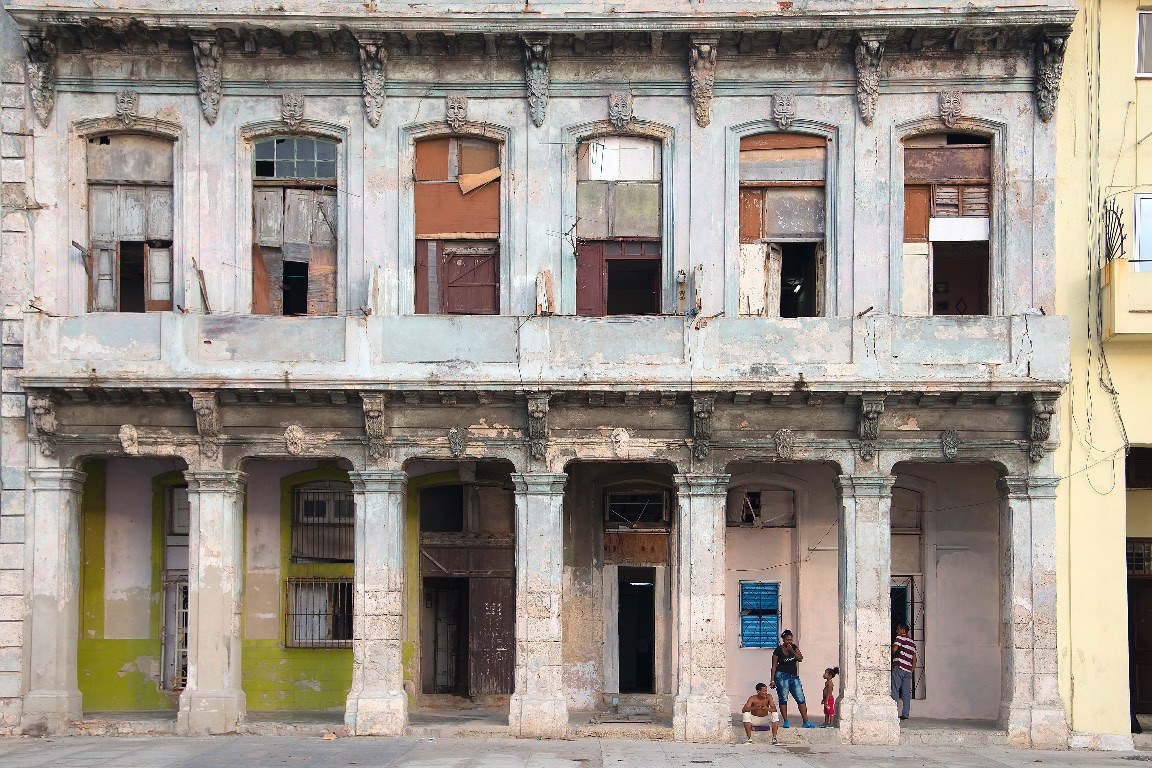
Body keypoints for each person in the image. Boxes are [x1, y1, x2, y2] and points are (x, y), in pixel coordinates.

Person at [770, 629, 816, 728]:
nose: (789, 641)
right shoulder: (778, 650)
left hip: (794, 677)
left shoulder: (794, 648)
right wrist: (772, 680)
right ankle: (786, 721)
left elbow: (800, 659)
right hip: (781, 676)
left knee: (801, 698)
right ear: (783, 640)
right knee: (783, 699)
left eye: (791, 639)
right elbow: (774, 665)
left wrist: (793, 651)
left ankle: (806, 722)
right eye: (787, 640)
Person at [891, 622, 918, 720]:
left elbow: (894, 649)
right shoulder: (912, 643)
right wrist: (911, 670)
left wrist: (891, 652)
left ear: (902, 630)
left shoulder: (899, 638)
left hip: (899, 667)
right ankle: (905, 714)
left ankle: (893, 713)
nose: (896, 631)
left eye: (897, 629)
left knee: (895, 690)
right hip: (908, 670)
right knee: (906, 693)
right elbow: (914, 659)